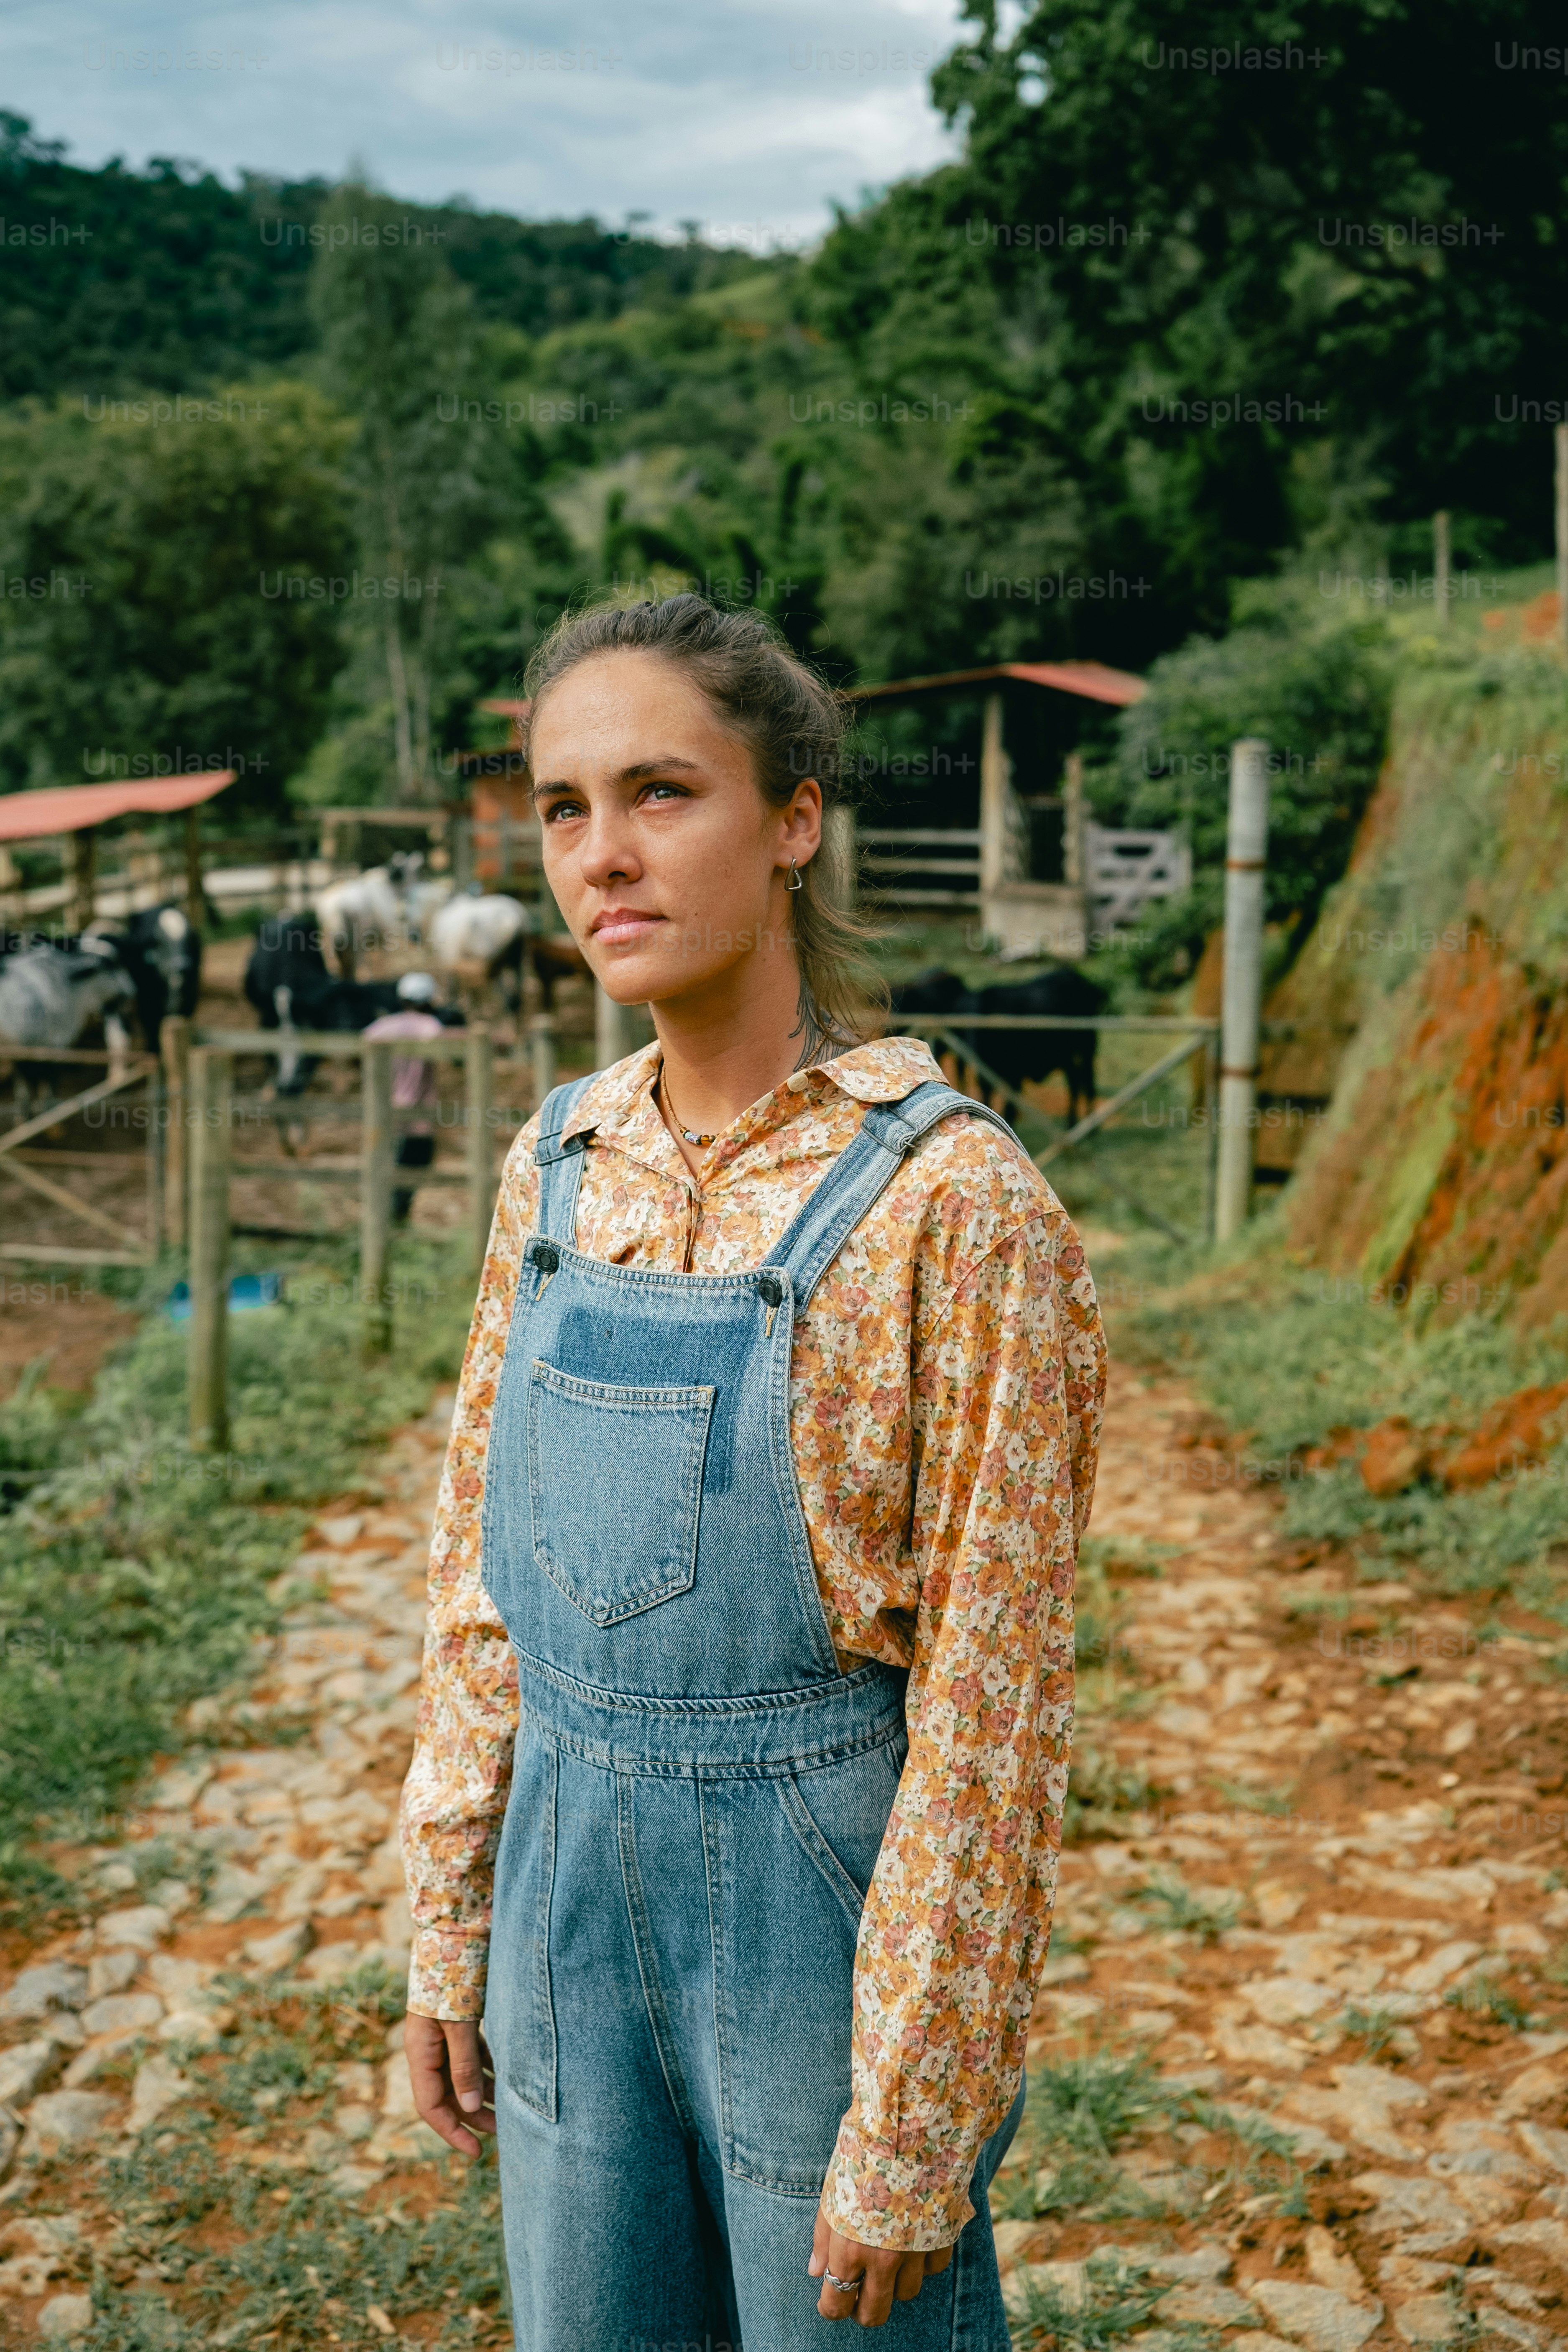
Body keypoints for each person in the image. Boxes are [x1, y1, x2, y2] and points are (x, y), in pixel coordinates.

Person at [399, 595, 1105, 2349]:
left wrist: (914, 2115)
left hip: (813, 1907)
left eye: (661, 791)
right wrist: (445, 1928)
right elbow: (477, 1588)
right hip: (562, 1888)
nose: (602, 855)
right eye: (565, 807)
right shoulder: (555, 1161)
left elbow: (989, 1710)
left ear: (794, 818)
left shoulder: (956, 1206)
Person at [360, 973, 465, 1223]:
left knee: (384, 1167)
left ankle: (381, 1221)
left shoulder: (380, 1028)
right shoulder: (431, 1028)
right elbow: (456, 1056)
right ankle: (396, 1218)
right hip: (419, 1116)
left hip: (383, 1113)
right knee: (412, 1170)